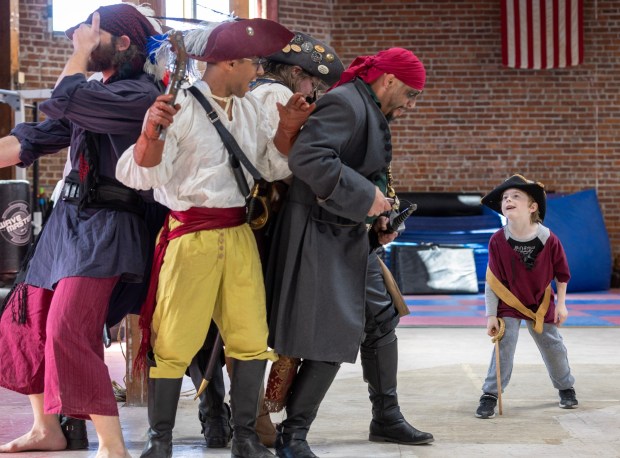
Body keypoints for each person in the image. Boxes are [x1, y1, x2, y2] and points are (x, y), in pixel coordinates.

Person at [114, 18, 313, 458]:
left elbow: (270, 166)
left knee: (249, 337)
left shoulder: (247, 108)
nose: (256, 73)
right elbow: (140, 175)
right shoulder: (178, 106)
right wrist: (150, 132)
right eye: (251, 65)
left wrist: (288, 129)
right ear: (228, 62)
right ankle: (159, 441)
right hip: (190, 237)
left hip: (239, 233)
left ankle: (244, 437)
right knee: (175, 340)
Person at [0, 3, 162, 457]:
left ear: (122, 42)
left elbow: (64, 98)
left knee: (69, 328)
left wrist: (79, 55)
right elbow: (32, 137)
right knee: (24, 323)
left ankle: (113, 447)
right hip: (65, 227)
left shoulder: (140, 95)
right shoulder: (97, 90)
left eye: (92, 35)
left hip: (109, 227)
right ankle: (46, 428)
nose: (80, 40)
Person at [266, 47, 435, 457]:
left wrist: (378, 213)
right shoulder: (346, 103)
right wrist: (366, 198)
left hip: (348, 234)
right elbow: (308, 157)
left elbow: (365, 172)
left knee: (380, 319)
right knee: (332, 335)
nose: (411, 105)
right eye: (410, 94)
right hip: (318, 235)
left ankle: (386, 417)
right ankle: (295, 435)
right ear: (389, 80)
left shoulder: (366, 105)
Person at [475, 174, 577, 419]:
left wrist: (561, 305)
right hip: (509, 303)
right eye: (505, 198)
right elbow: (493, 282)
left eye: (516, 196)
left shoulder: (549, 239)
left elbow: (562, 275)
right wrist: (491, 315)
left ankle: (566, 387)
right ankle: (490, 394)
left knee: (553, 345)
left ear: (532, 207)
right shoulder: (497, 241)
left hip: (540, 303)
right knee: (504, 345)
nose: (508, 199)